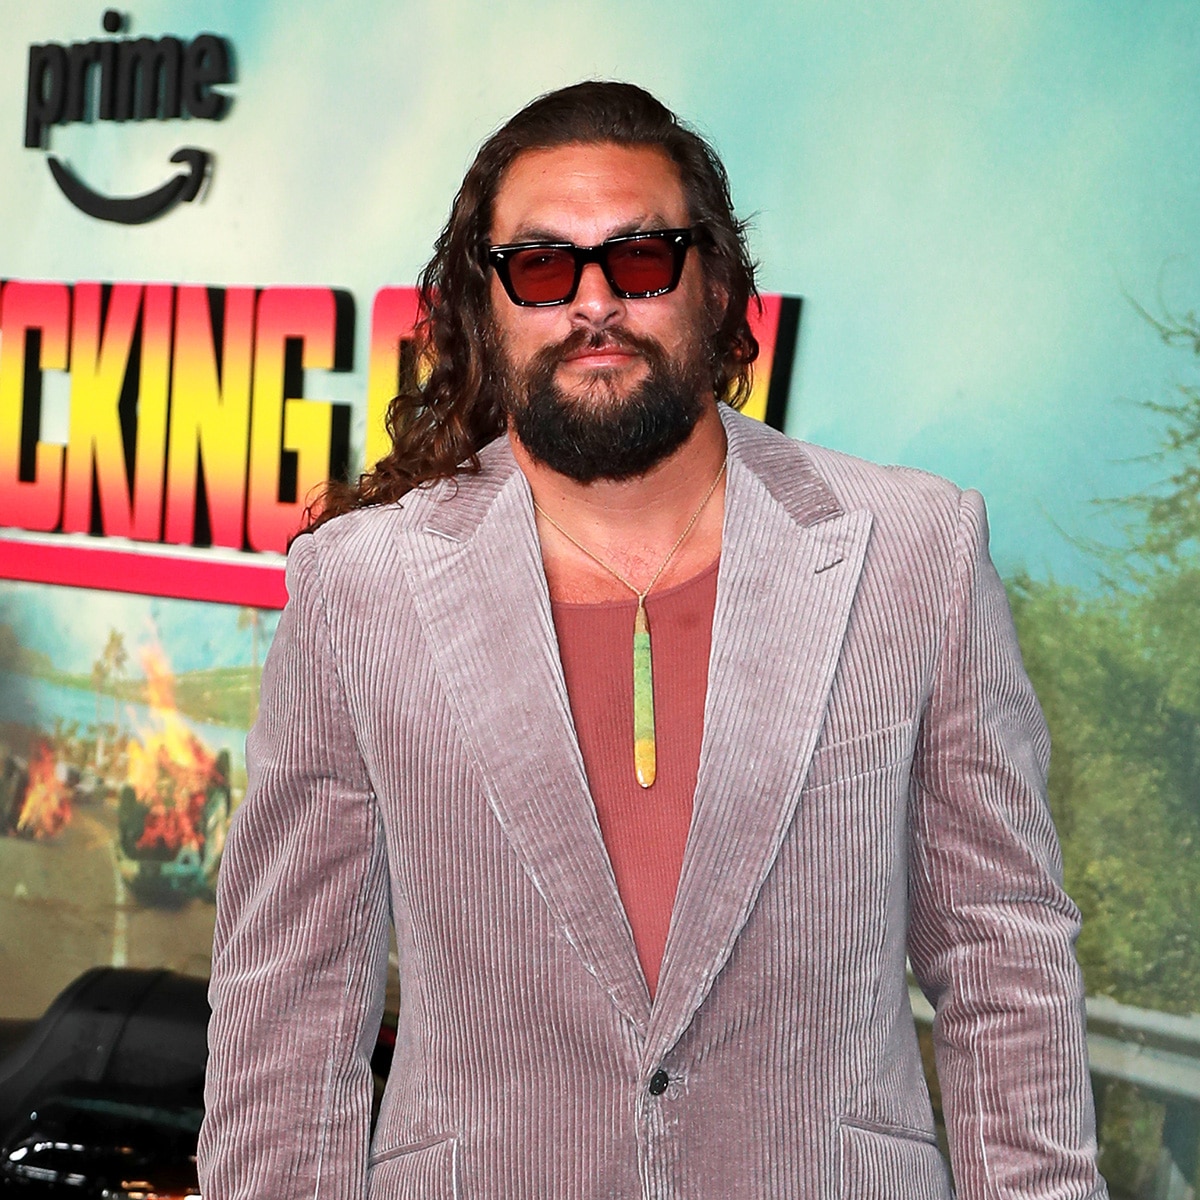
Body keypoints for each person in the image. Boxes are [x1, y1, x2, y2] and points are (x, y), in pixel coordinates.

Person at [199, 81, 1107, 1199]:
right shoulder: (360, 586)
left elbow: (1001, 956)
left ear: (717, 287)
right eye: (542, 267)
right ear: (483, 306)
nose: (594, 304)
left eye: (639, 260)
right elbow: (288, 1001)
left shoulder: (914, 551)